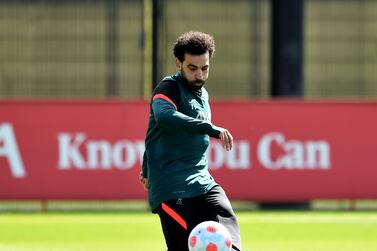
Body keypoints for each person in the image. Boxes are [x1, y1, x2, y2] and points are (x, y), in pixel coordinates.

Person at [140, 31, 242, 251]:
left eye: (205, 68)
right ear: (179, 63)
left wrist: (145, 168)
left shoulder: (202, 94)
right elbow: (164, 118)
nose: (200, 75)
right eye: (192, 68)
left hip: (202, 182)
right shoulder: (169, 88)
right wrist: (210, 129)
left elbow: (154, 133)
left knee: (227, 224)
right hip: (171, 186)